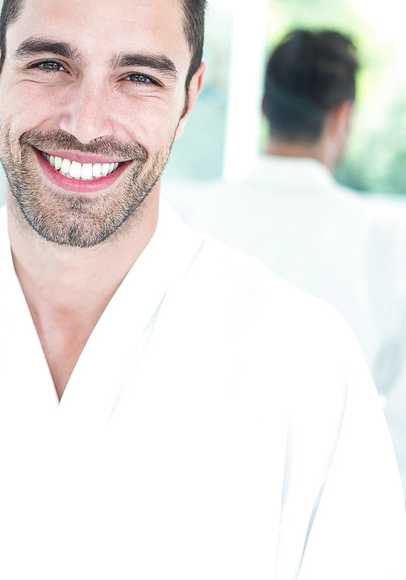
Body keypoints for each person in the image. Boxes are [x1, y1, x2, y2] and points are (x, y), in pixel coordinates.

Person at [0, 0, 404, 580]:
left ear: (189, 97)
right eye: (51, 62)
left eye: (139, 77)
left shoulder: (305, 367)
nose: (84, 123)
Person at [174, 28, 406, 497]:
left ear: (264, 107)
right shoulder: (382, 238)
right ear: (343, 117)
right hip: (335, 509)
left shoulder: (188, 217)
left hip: (194, 496)